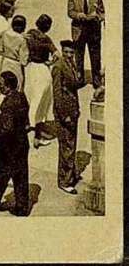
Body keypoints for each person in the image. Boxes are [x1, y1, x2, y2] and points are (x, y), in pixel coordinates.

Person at [0, 71, 30, 217]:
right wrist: (0, 115)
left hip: (9, 147)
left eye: (1, 85)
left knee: (1, 175)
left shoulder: (7, 104)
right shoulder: (21, 96)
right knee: (21, 176)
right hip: (22, 143)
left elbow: (7, 128)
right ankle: (22, 207)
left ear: (8, 87)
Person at [52, 40, 80, 194]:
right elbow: (57, 93)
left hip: (73, 109)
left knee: (71, 144)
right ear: (62, 51)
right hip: (65, 112)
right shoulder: (58, 66)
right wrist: (64, 115)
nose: (69, 55)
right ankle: (64, 181)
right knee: (67, 146)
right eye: (67, 52)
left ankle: (70, 174)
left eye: (71, 52)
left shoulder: (71, 64)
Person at [24, 14, 58, 146]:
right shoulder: (46, 39)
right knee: (42, 102)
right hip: (42, 70)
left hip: (30, 68)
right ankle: (37, 135)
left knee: (31, 98)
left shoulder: (30, 34)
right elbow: (57, 55)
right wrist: (50, 63)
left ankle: (28, 125)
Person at [67, 0, 104, 88]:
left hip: (93, 30)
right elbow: (70, 12)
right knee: (79, 56)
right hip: (79, 30)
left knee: (95, 56)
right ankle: (80, 79)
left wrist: (98, 15)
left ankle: (96, 80)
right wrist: (78, 15)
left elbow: (102, 12)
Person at [0, 14, 30, 91]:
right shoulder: (22, 40)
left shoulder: (4, 33)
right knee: (16, 87)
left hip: (5, 62)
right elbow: (24, 61)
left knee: (4, 85)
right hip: (16, 65)